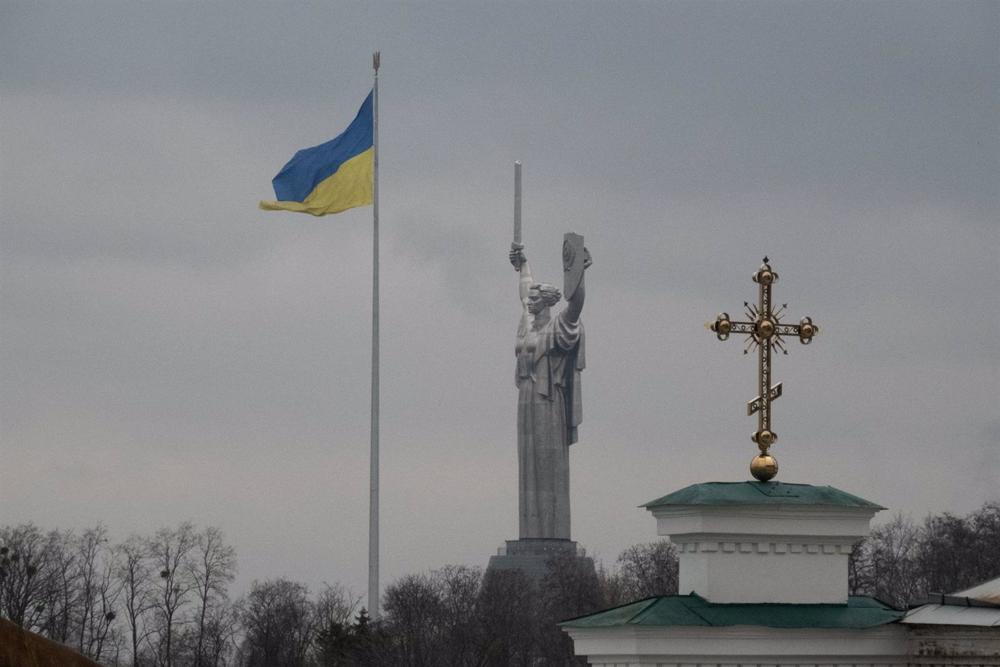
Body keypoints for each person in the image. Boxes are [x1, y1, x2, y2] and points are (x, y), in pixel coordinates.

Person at [508, 242, 589, 539]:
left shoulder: (557, 329)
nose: (528, 300)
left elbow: (576, 305)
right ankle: (529, 534)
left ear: (546, 302)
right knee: (528, 466)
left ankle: (550, 534)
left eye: (534, 297)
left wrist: (578, 272)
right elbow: (524, 286)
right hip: (527, 399)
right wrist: (524, 262)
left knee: (547, 468)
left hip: (548, 400)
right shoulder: (527, 322)